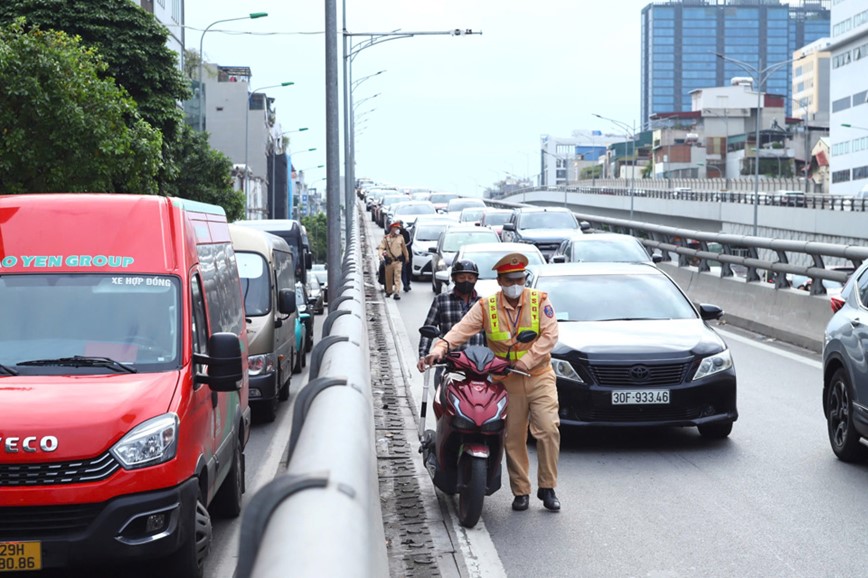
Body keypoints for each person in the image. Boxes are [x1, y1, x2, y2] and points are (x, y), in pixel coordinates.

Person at [422, 252, 561, 512]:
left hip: (538, 376)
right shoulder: (487, 306)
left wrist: (526, 361)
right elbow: (461, 330)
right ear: (500, 281)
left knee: (548, 429)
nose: (516, 284)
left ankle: (548, 487)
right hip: (504, 379)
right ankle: (521, 491)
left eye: (520, 278)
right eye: (510, 280)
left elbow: (549, 336)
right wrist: (440, 348)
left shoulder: (539, 301)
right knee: (512, 437)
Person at [416, 259, 486, 376]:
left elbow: (490, 336)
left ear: (475, 280)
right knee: (441, 392)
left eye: (470, 278)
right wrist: (423, 356)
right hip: (447, 365)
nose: (466, 281)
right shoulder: (441, 300)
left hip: (477, 366)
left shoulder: (483, 303)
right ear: (454, 278)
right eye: (462, 277)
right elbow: (428, 329)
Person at [378, 221, 409, 300]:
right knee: (388, 278)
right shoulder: (386, 238)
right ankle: (389, 291)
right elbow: (381, 248)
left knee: (397, 277)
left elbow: (404, 249)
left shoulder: (400, 237)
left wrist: (406, 257)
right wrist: (380, 255)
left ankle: (397, 293)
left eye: (398, 228)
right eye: (396, 228)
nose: (397, 229)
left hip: (398, 261)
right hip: (389, 262)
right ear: (392, 228)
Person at [398, 221, 414, 292]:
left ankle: (408, 282)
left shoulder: (407, 232)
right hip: (399, 255)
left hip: (408, 254)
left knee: (408, 269)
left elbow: (410, 242)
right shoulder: (396, 234)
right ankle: (405, 285)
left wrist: (403, 247)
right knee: (403, 270)